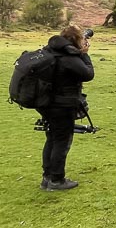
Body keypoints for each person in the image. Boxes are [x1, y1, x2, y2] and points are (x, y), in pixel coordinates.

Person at [38, 25, 95, 191]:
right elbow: (88, 74)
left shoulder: (52, 50)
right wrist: (84, 54)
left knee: (52, 138)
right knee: (62, 141)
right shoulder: (69, 57)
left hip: (46, 103)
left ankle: (47, 177)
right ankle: (56, 180)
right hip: (61, 105)